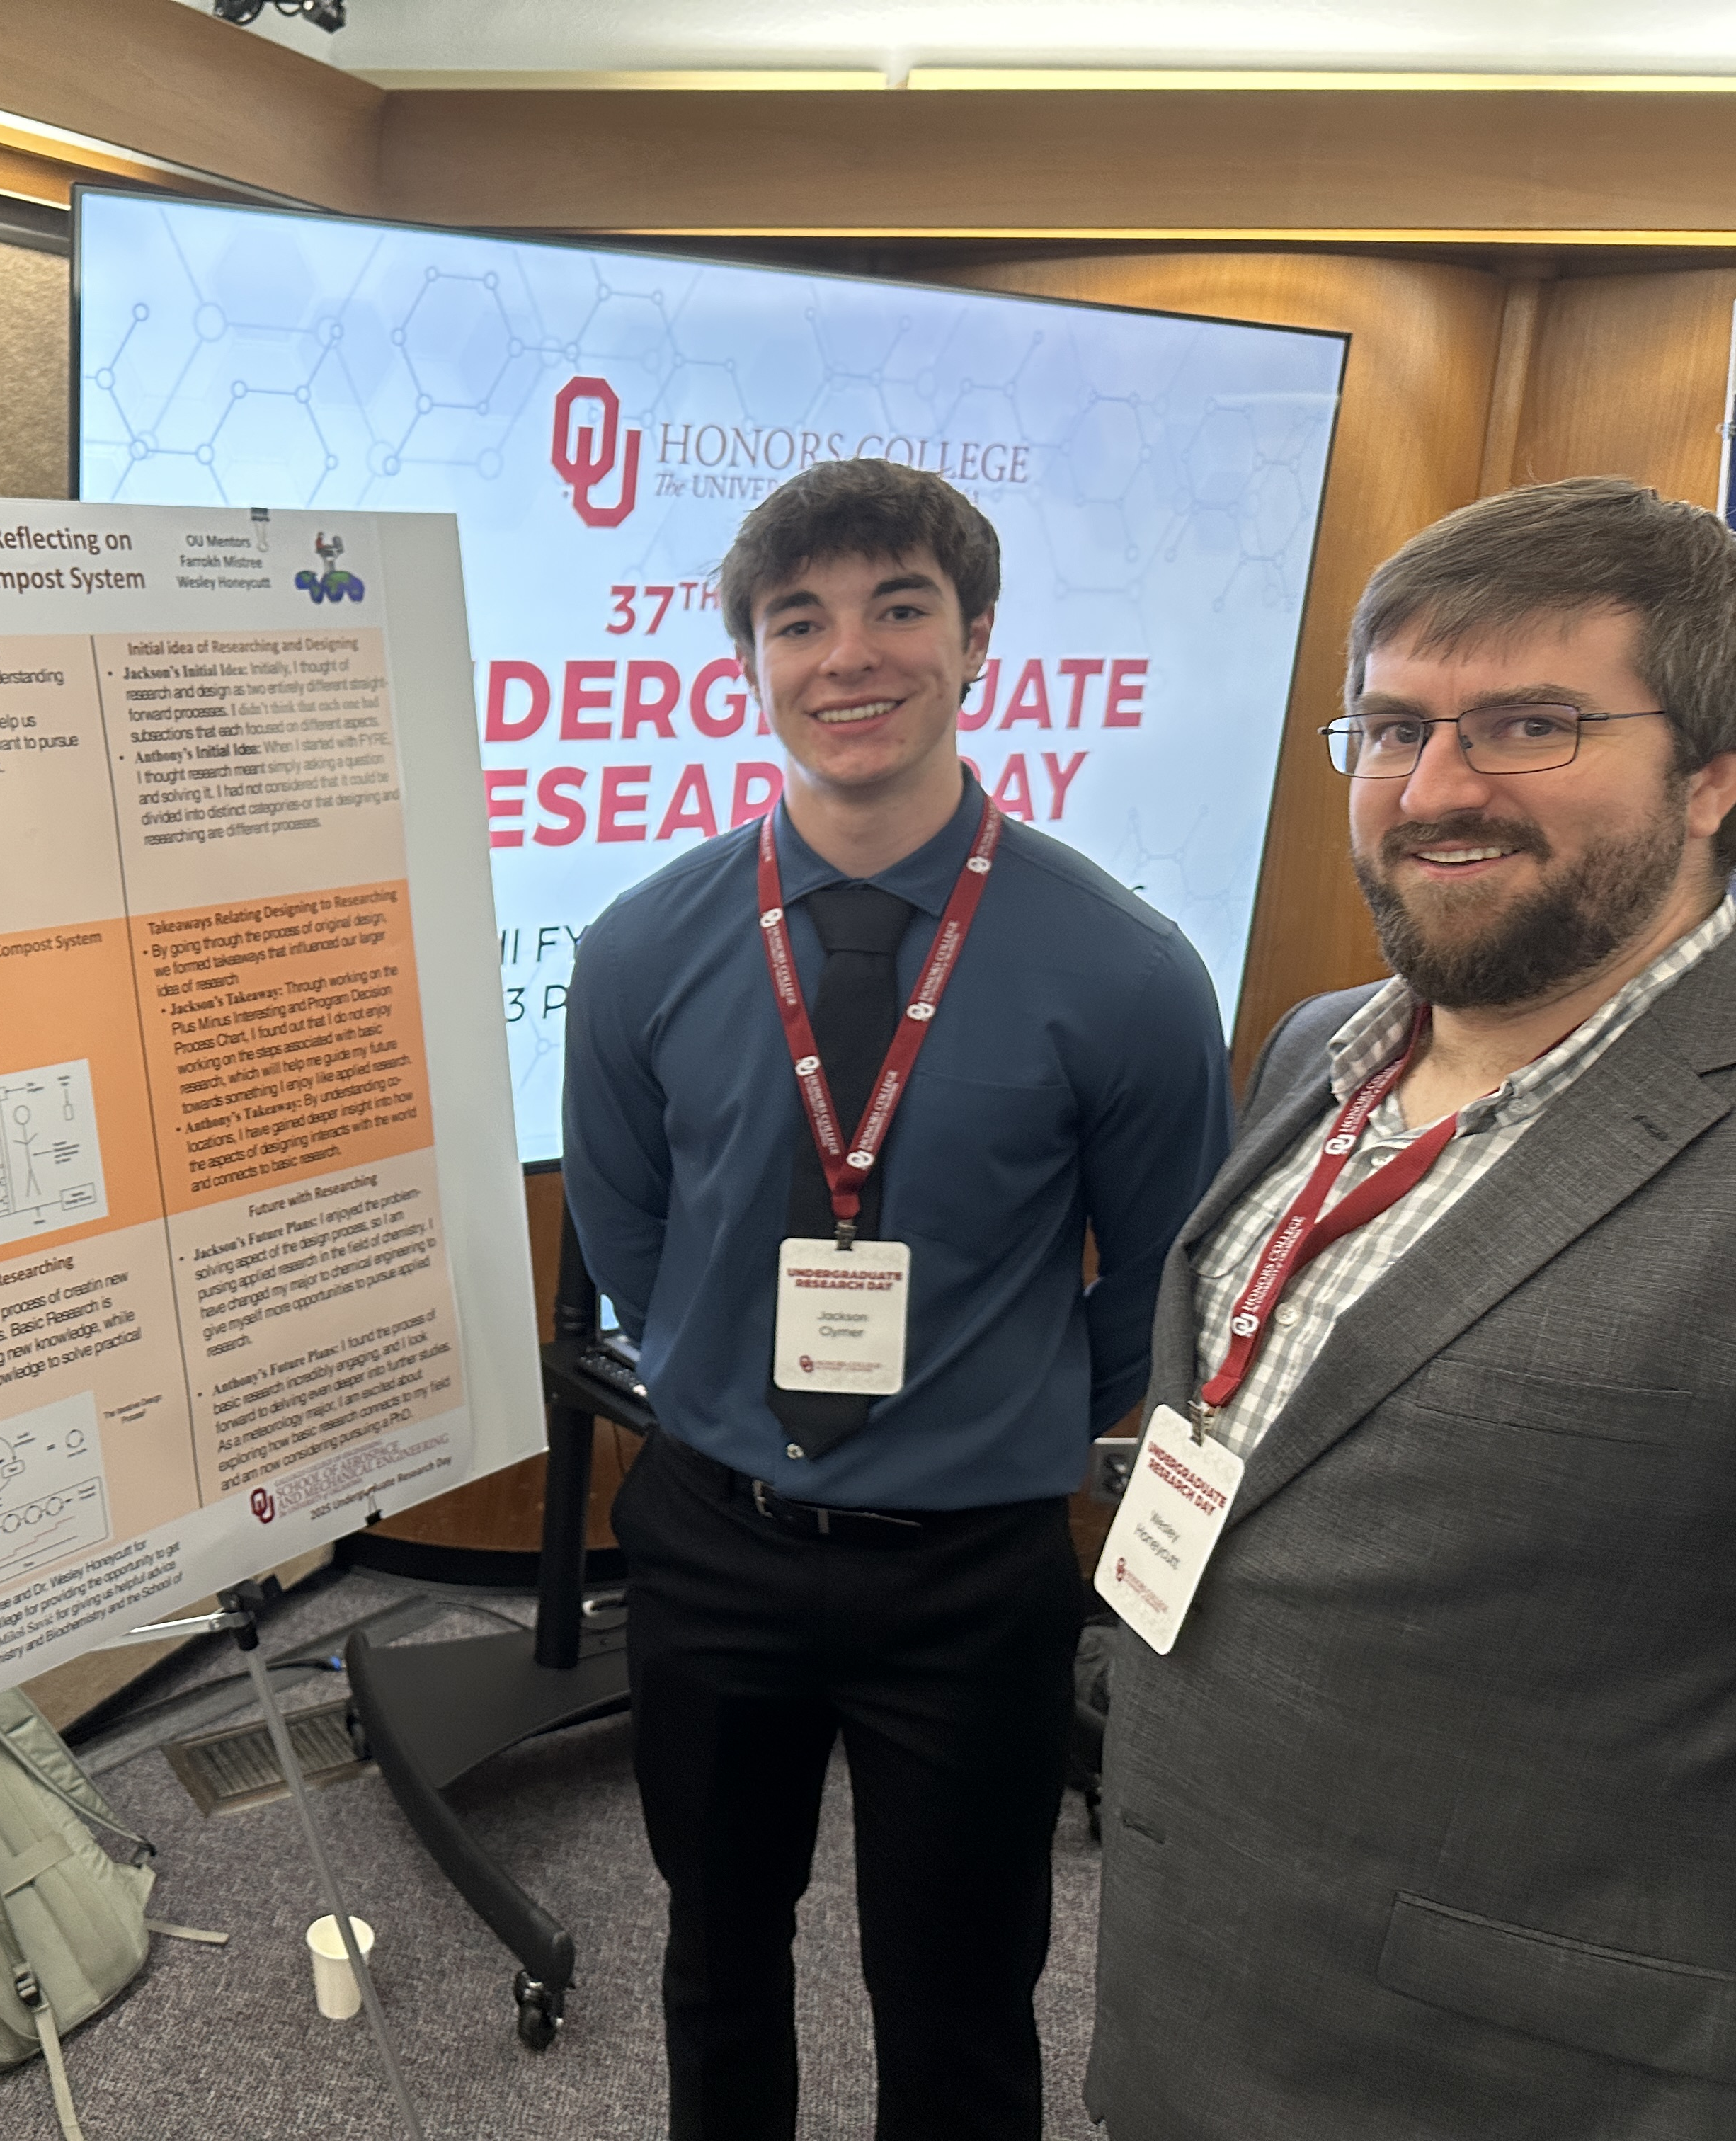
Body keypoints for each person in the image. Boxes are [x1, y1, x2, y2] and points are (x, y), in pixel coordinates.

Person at [563, 456, 1232, 2139]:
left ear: (978, 639)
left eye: (899, 608)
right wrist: (732, 1385)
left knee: (957, 1999)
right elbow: (633, 1237)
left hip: (972, 1577)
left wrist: (993, 1413)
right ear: (754, 663)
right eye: (802, 621)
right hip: (715, 1546)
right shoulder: (645, 949)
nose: (849, 656)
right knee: (717, 1965)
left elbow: (1161, 1281)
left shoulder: (1128, 971)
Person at [1084, 478, 1736, 2139]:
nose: (1436, 789)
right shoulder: (1321, 1046)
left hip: (1517, 2078)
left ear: (1715, 772)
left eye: (1531, 724)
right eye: (1390, 727)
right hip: (1196, 1979)